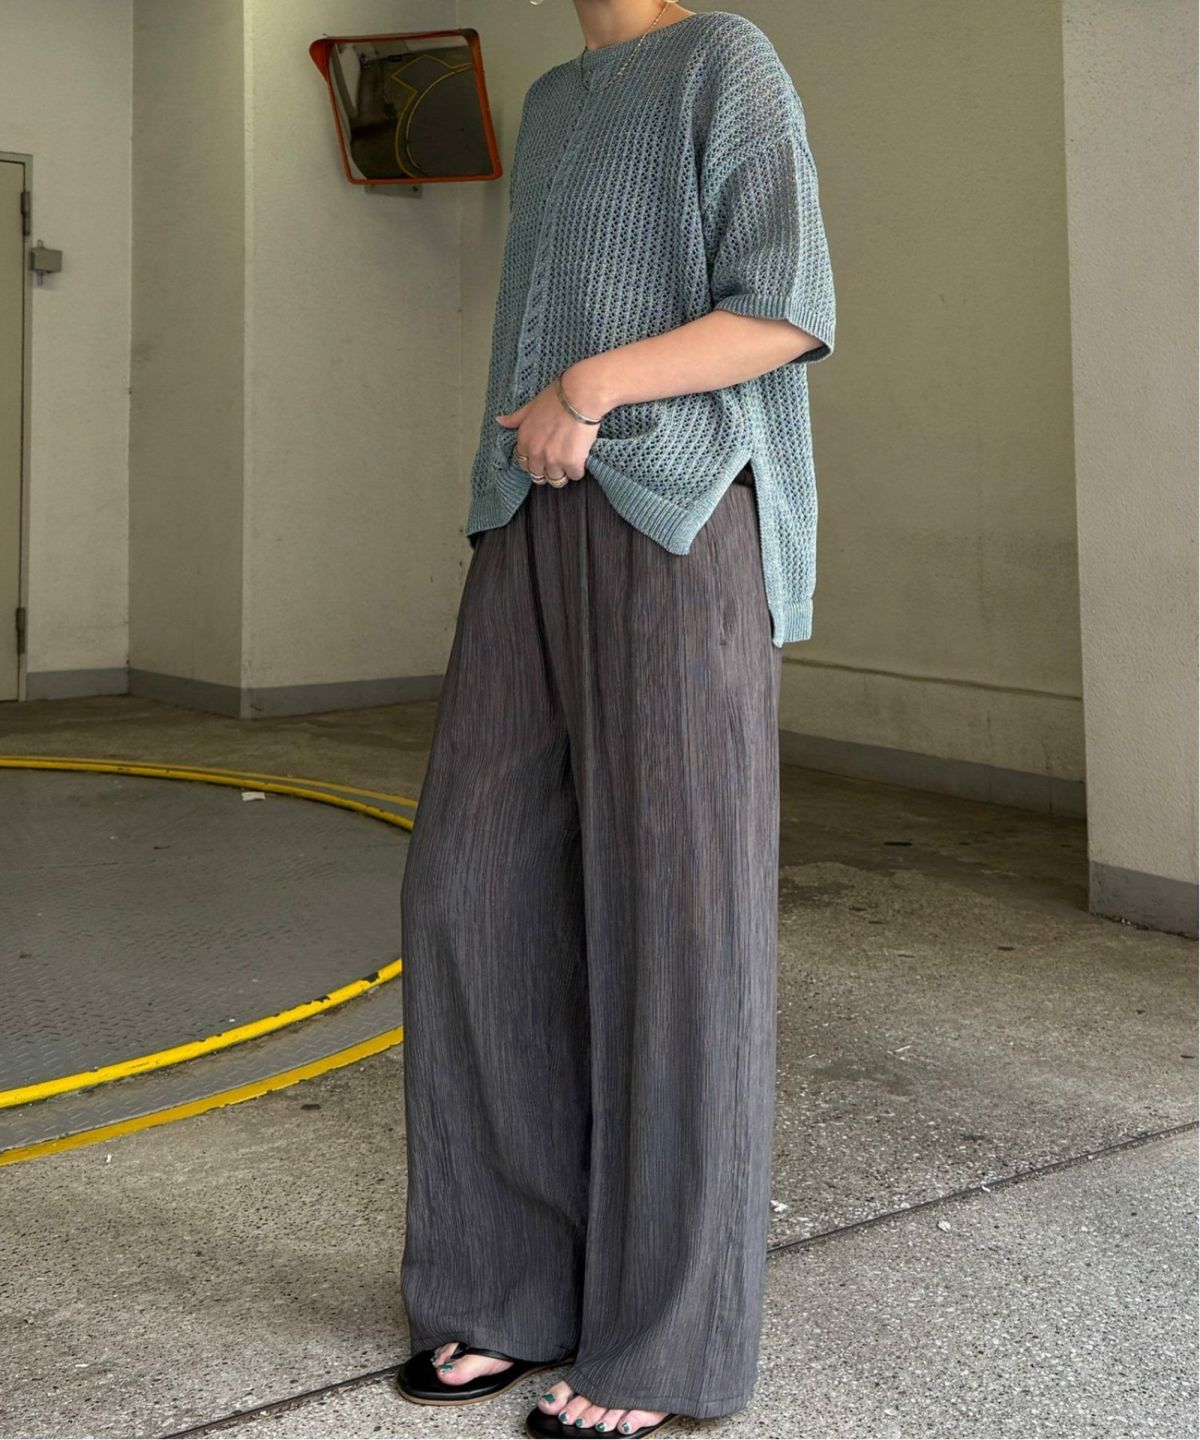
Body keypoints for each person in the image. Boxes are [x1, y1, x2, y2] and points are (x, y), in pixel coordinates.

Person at [395, 2, 836, 1436]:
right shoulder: (552, 99)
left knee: (676, 923)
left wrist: (590, 385)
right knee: (471, 889)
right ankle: (506, 1286)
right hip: (530, 511)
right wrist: (534, 435)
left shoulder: (725, 59)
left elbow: (786, 306)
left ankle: (666, 1342)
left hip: (684, 516)